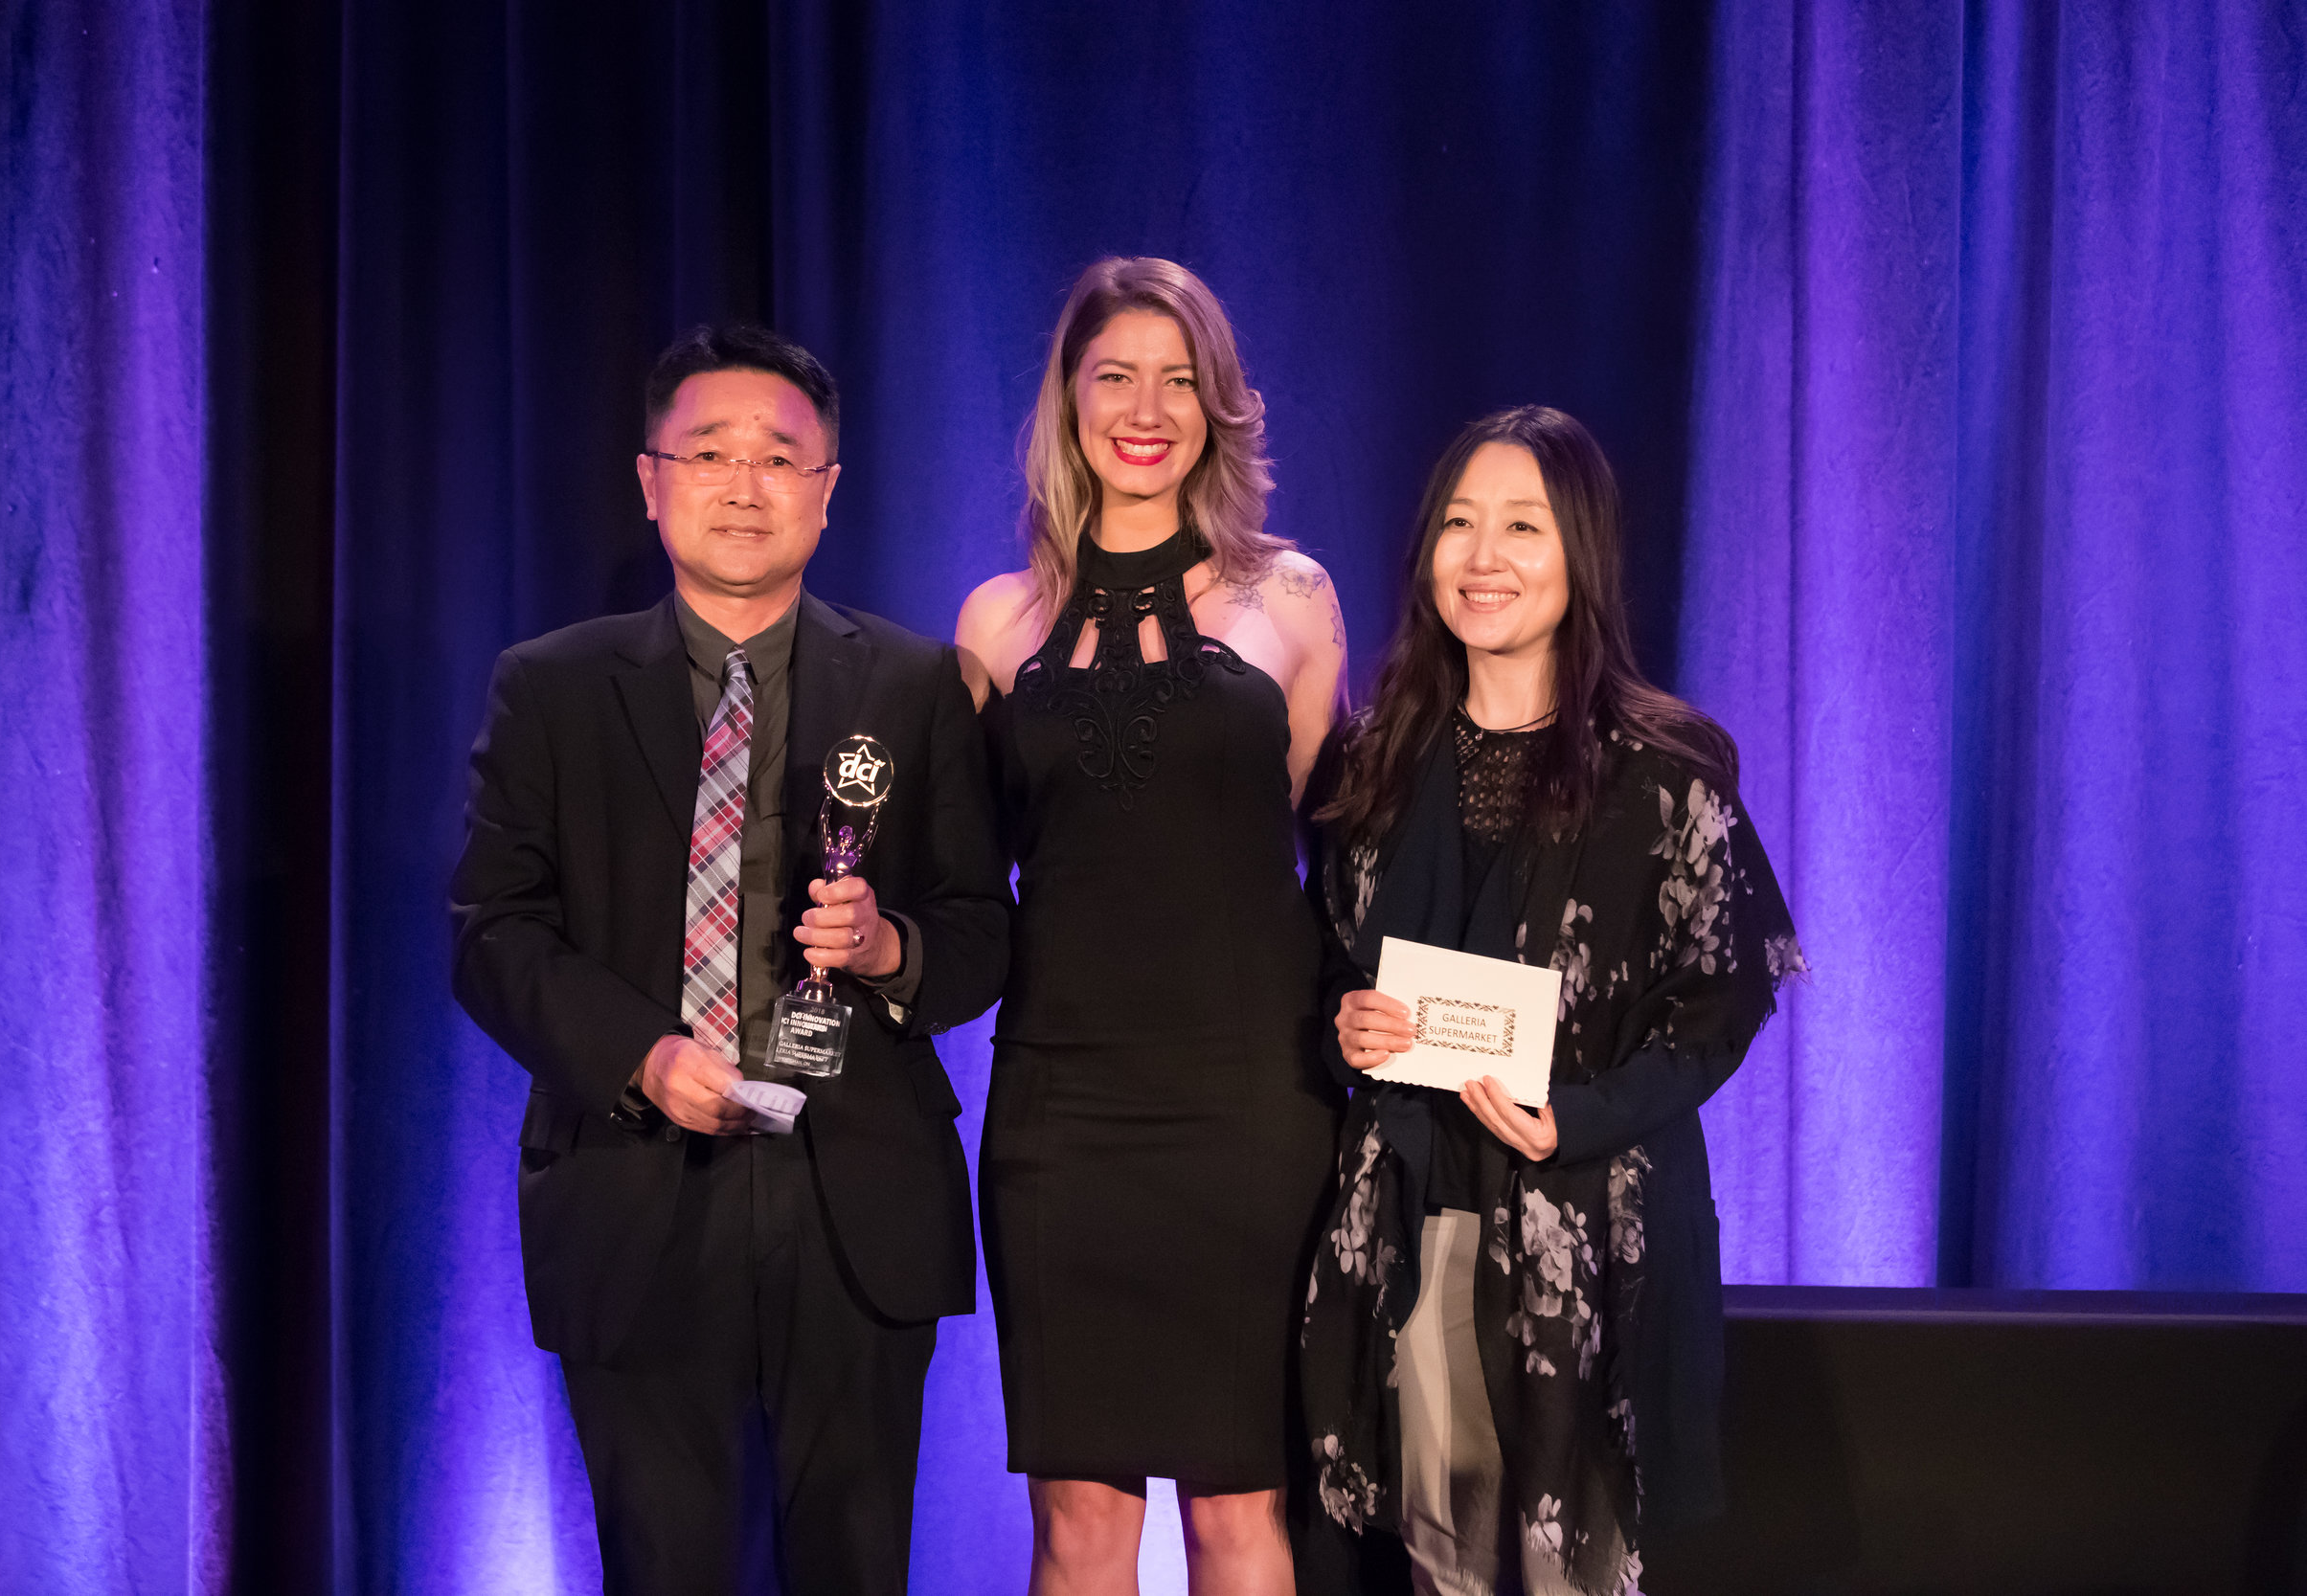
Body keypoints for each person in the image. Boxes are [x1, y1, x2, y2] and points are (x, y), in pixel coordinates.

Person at [450, 324, 1010, 1596]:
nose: (745, 483)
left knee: (857, 1567)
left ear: (827, 491)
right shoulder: (551, 687)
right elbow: (493, 929)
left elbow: (981, 928)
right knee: (664, 1566)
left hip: (854, 1186)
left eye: (781, 457)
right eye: (710, 453)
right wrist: (641, 1056)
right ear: (650, 480)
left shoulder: (917, 685)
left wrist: (889, 945)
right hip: (640, 1182)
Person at [1298, 408, 1803, 1596]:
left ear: (1579, 553)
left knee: (1569, 1569)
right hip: (1420, 1216)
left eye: (1521, 525)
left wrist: (1579, 1114)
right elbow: (1329, 961)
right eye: (1459, 524)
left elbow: (1719, 1005)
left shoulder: (1665, 771)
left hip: (1582, 1224)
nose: (1484, 556)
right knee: (1444, 1566)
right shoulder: (1373, 766)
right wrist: (1346, 1019)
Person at [954, 257, 1349, 1595]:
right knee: (1078, 1521)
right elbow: (978, 864)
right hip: (1062, 1108)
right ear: (1068, 400)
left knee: (1241, 1506)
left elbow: (1307, 834)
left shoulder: (1293, 596)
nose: (1147, 405)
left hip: (1248, 1099)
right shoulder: (997, 621)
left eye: (1181, 379)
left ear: (1221, 406)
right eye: (1116, 373)